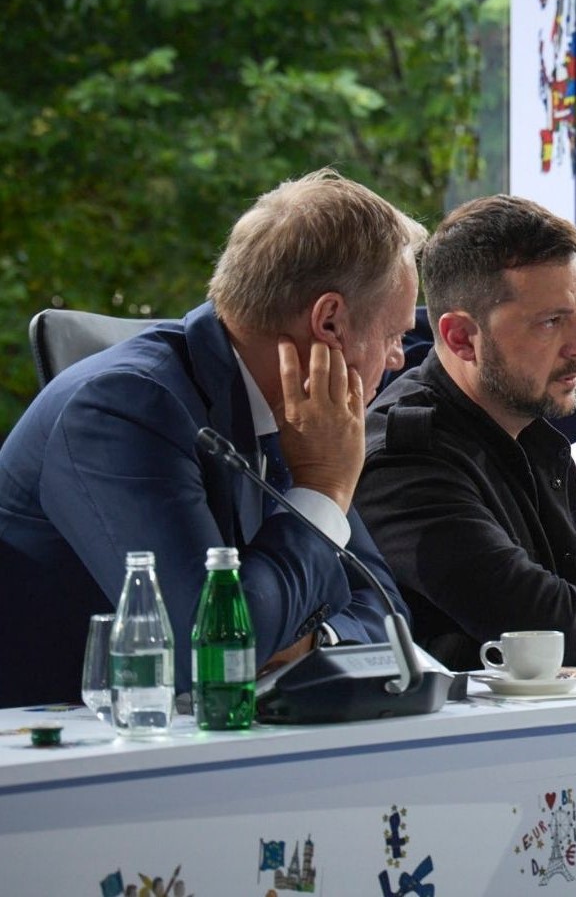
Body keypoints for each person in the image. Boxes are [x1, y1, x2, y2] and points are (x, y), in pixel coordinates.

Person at [0, 170, 421, 707]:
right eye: (392, 333)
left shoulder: (300, 414)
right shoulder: (122, 407)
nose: (397, 358)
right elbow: (206, 655)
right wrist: (322, 489)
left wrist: (315, 641)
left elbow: (386, 612)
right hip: (57, 763)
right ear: (331, 322)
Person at [356, 195, 576, 669]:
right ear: (459, 338)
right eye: (551, 322)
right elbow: (527, 613)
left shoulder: (535, 436)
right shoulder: (403, 456)